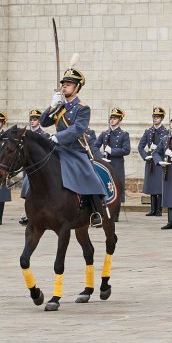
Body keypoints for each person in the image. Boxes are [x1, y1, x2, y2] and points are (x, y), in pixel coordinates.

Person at [40, 68, 108, 228]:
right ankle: (35, 205)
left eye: (68, 84)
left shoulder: (82, 108)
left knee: (88, 174)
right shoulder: (60, 106)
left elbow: (77, 129)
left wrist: (58, 137)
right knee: (37, 165)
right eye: (63, 84)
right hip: (58, 149)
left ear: (77, 88)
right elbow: (44, 122)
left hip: (75, 149)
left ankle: (96, 211)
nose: (64, 87)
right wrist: (51, 107)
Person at [19, 109, 49, 225]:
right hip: (28, 167)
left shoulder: (44, 135)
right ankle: (27, 212)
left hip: (39, 168)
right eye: (31, 119)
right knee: (28, 191)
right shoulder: (24, 135)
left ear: (39, 121)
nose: (32, 121)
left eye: (35, 119)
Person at [95, 108, 131, 205]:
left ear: (120, 120)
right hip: (105, 163)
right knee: (105, 186)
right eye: (111, 118)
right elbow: (94, 146)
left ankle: (116, 212)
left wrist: (112, 151)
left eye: (115, 118)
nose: (112, 120)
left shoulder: (124, 134)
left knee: (117, 186)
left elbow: (126, 150)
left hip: (117, 164)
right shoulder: (104, 134)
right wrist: (100, 156)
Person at [137, 107, 168, 217]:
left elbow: (169, 148)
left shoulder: (166, 132)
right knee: (151, 186)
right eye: (154, 117)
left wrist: (160, 148)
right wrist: (146, 156)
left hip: (159, 161)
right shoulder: (148, 131)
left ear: (162, 118)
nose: (155, 119)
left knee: (159, 186)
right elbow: (140, 146)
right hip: (150, 161)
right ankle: (153, 209)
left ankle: (159, 209)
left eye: (158, 117)